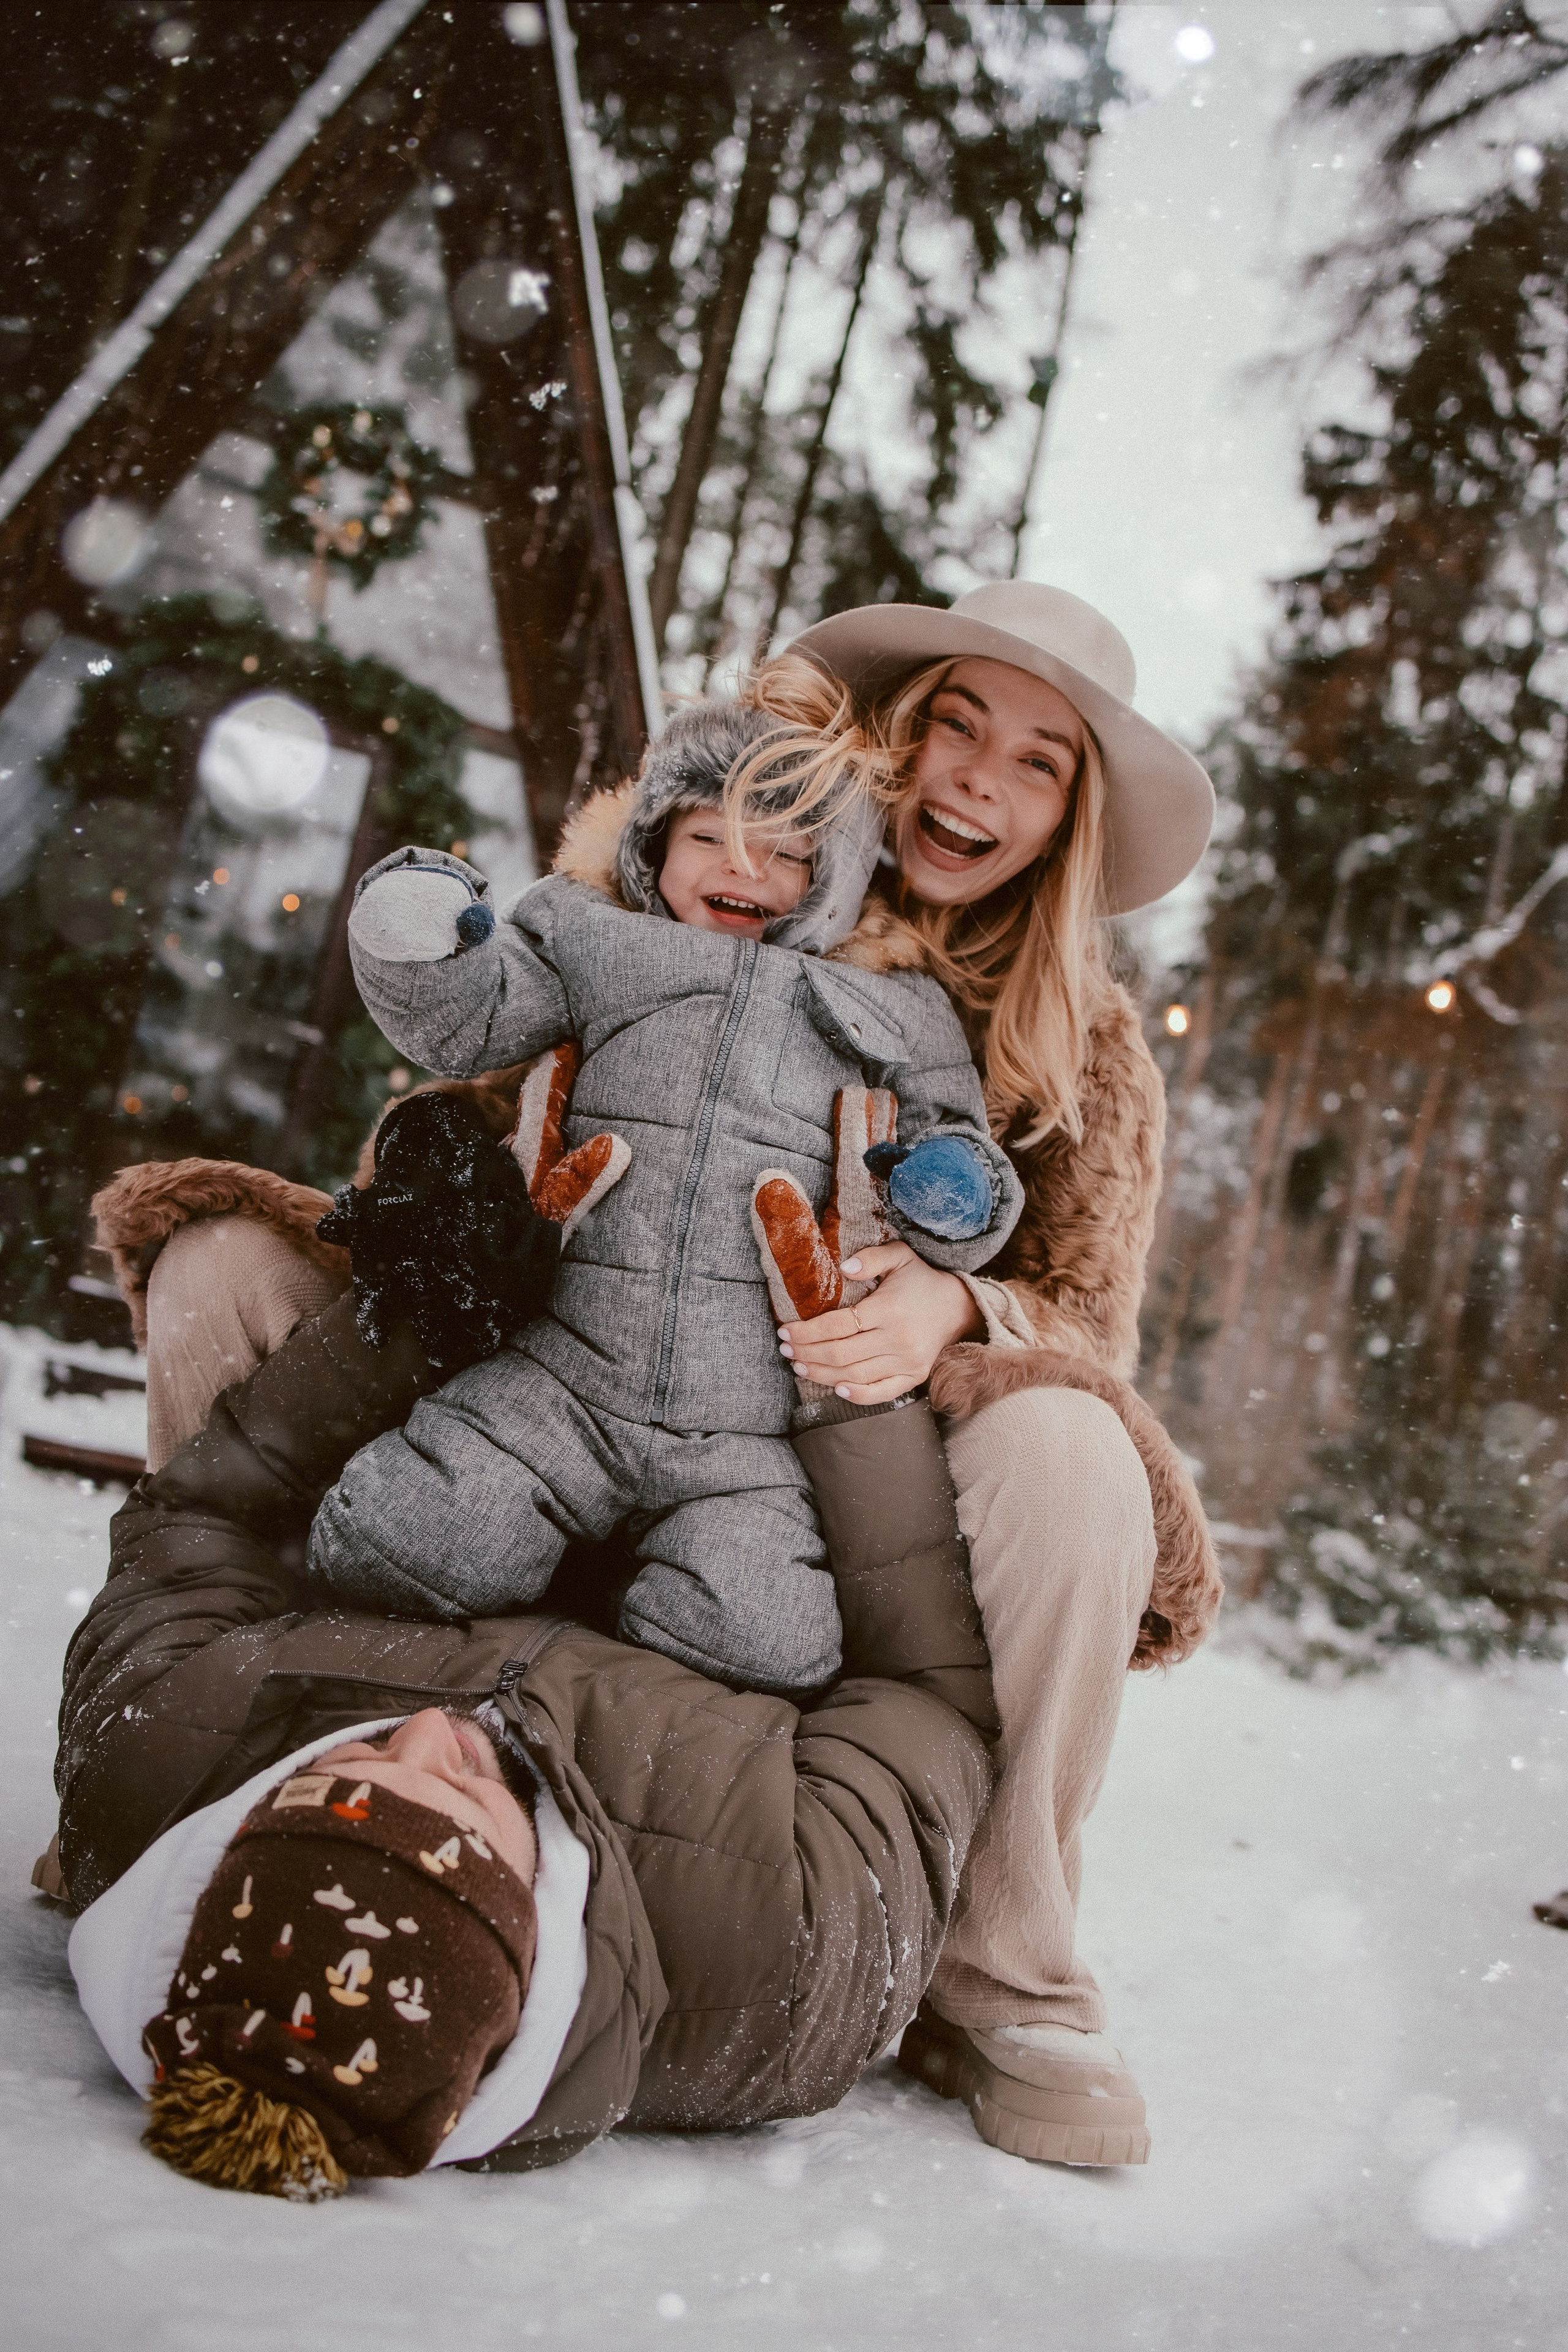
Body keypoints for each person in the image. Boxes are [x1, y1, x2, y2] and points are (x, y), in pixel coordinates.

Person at [75, 578, 1221, 2171]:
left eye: (1037, 762)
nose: (977, 779)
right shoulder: (676, 868)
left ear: (1071, 820)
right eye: (955, 723)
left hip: (822, 1469)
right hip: (546, 1369)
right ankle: (246, 1747)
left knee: (1075, 1459)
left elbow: (1085, 1323)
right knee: (221, 1263)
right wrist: (468, 1199)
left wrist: (959, 1311)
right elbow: (469, 1099)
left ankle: (997, 1969)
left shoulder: (1070, 1043)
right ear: (884, 735)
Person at [58, 1152, 1000, 2196]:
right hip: (752, 1578)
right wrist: (846, 1392)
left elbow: (199, 1520)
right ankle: (1012, 1983)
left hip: (467, 1482)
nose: (428, 1733)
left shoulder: (151, 1758)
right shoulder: (778, 1959)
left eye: (348, 1770)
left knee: (219, 1263)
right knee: (1063, 1466)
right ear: (530, 1926)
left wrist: (422, 1320)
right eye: (462, 1799)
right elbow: (927, 1702)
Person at [303, 693, 1021, 1694]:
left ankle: (647, 1625)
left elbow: (956, 1137)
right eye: (708, 837)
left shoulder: (893, 1006)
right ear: (653, 840)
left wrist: (953, 1194)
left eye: (787, 855)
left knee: (761, 1640)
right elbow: (479, 1016)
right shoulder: (596, 937)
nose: (744, 870)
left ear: (834, 880)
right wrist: (423, 940)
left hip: (748, 1427)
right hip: (562, 1368)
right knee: (412, 1541)